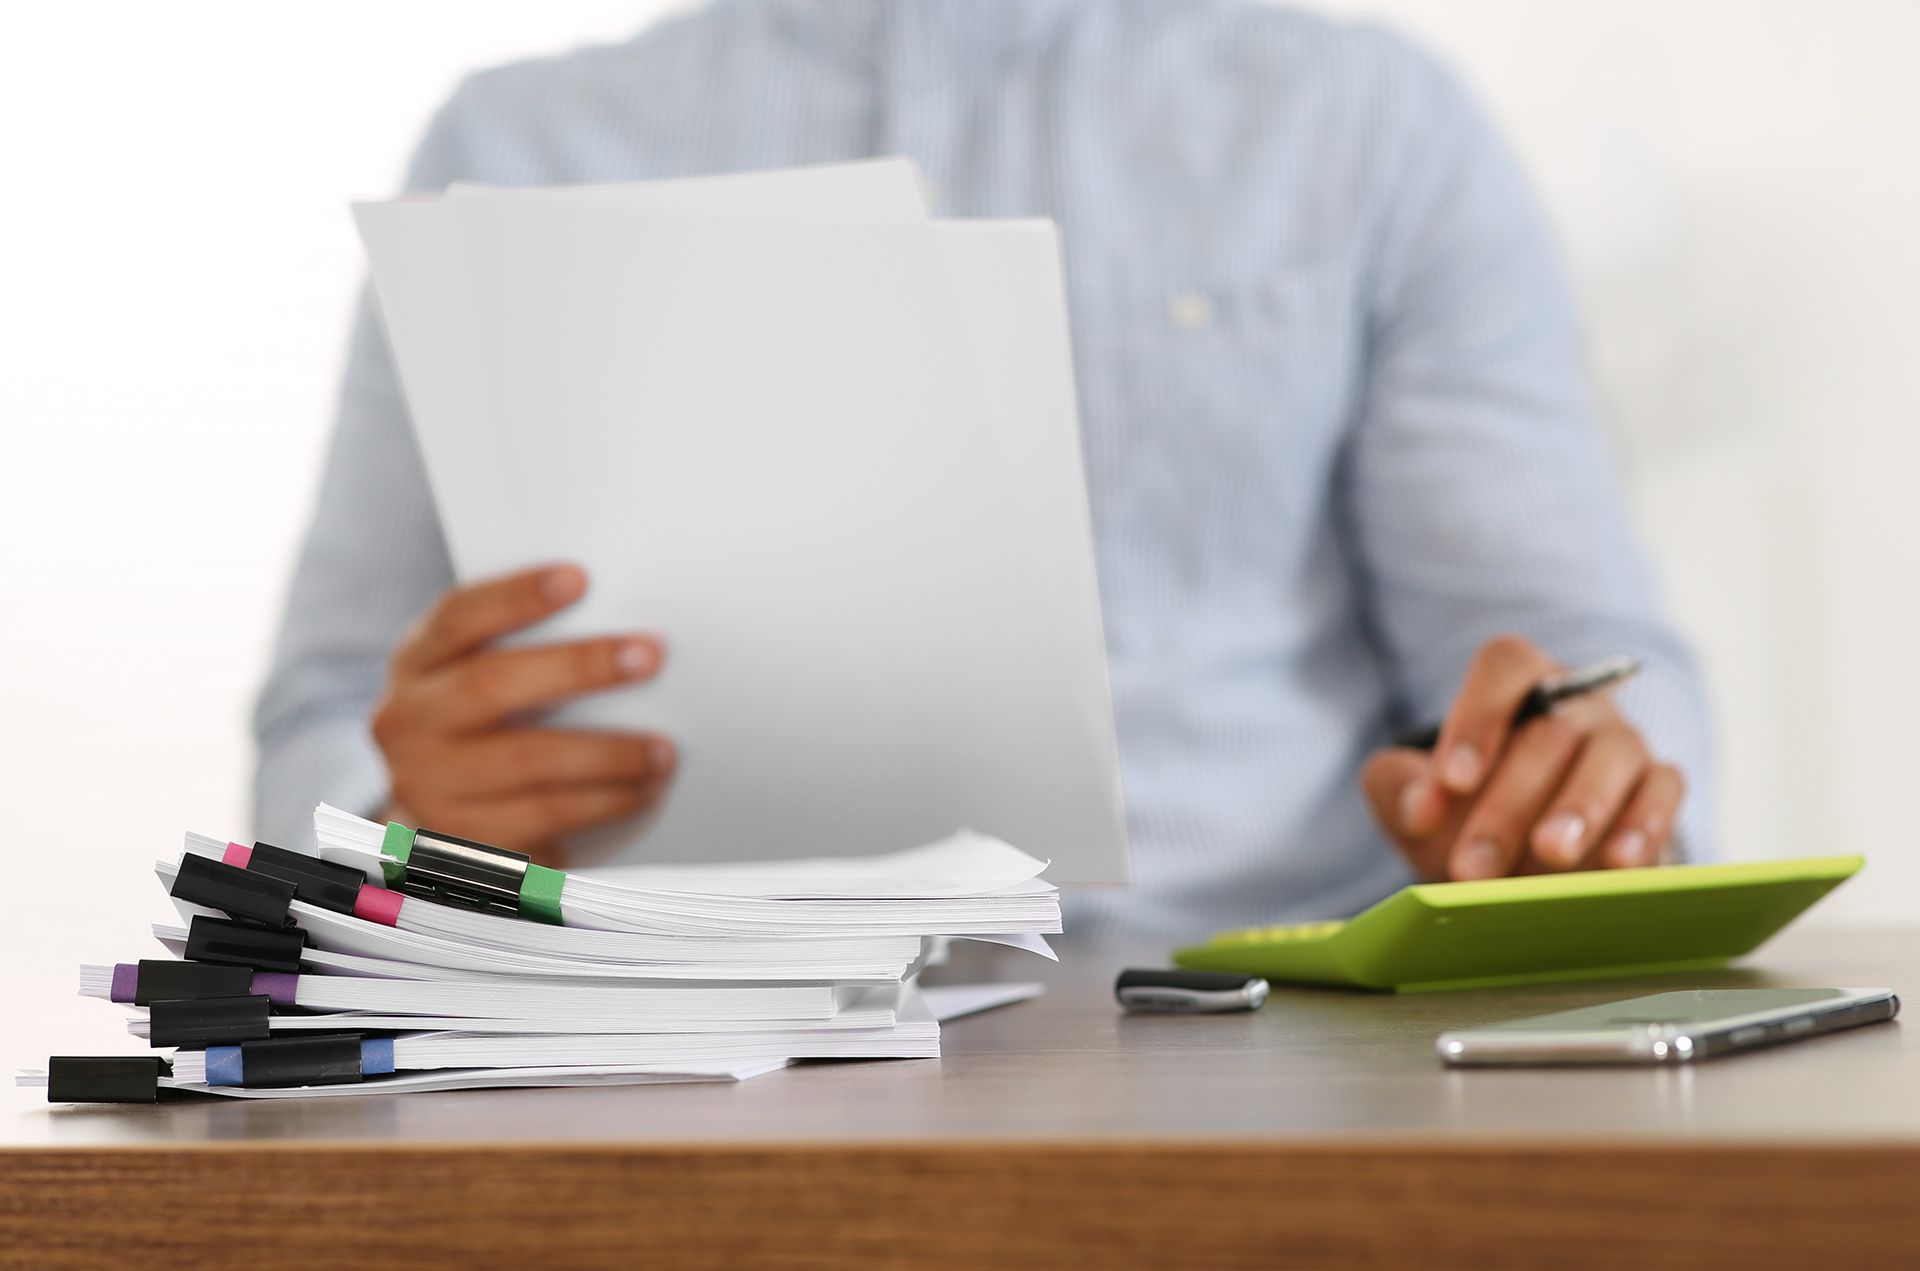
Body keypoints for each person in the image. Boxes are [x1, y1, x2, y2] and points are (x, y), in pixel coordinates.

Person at [253, 0, 1713, 942]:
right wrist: (403, 818)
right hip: (661, 1065)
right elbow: (318, 731)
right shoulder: (511, 147)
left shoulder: (1374, 129)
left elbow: (1590, 669)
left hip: (1259, 1047)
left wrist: (1565, 795)